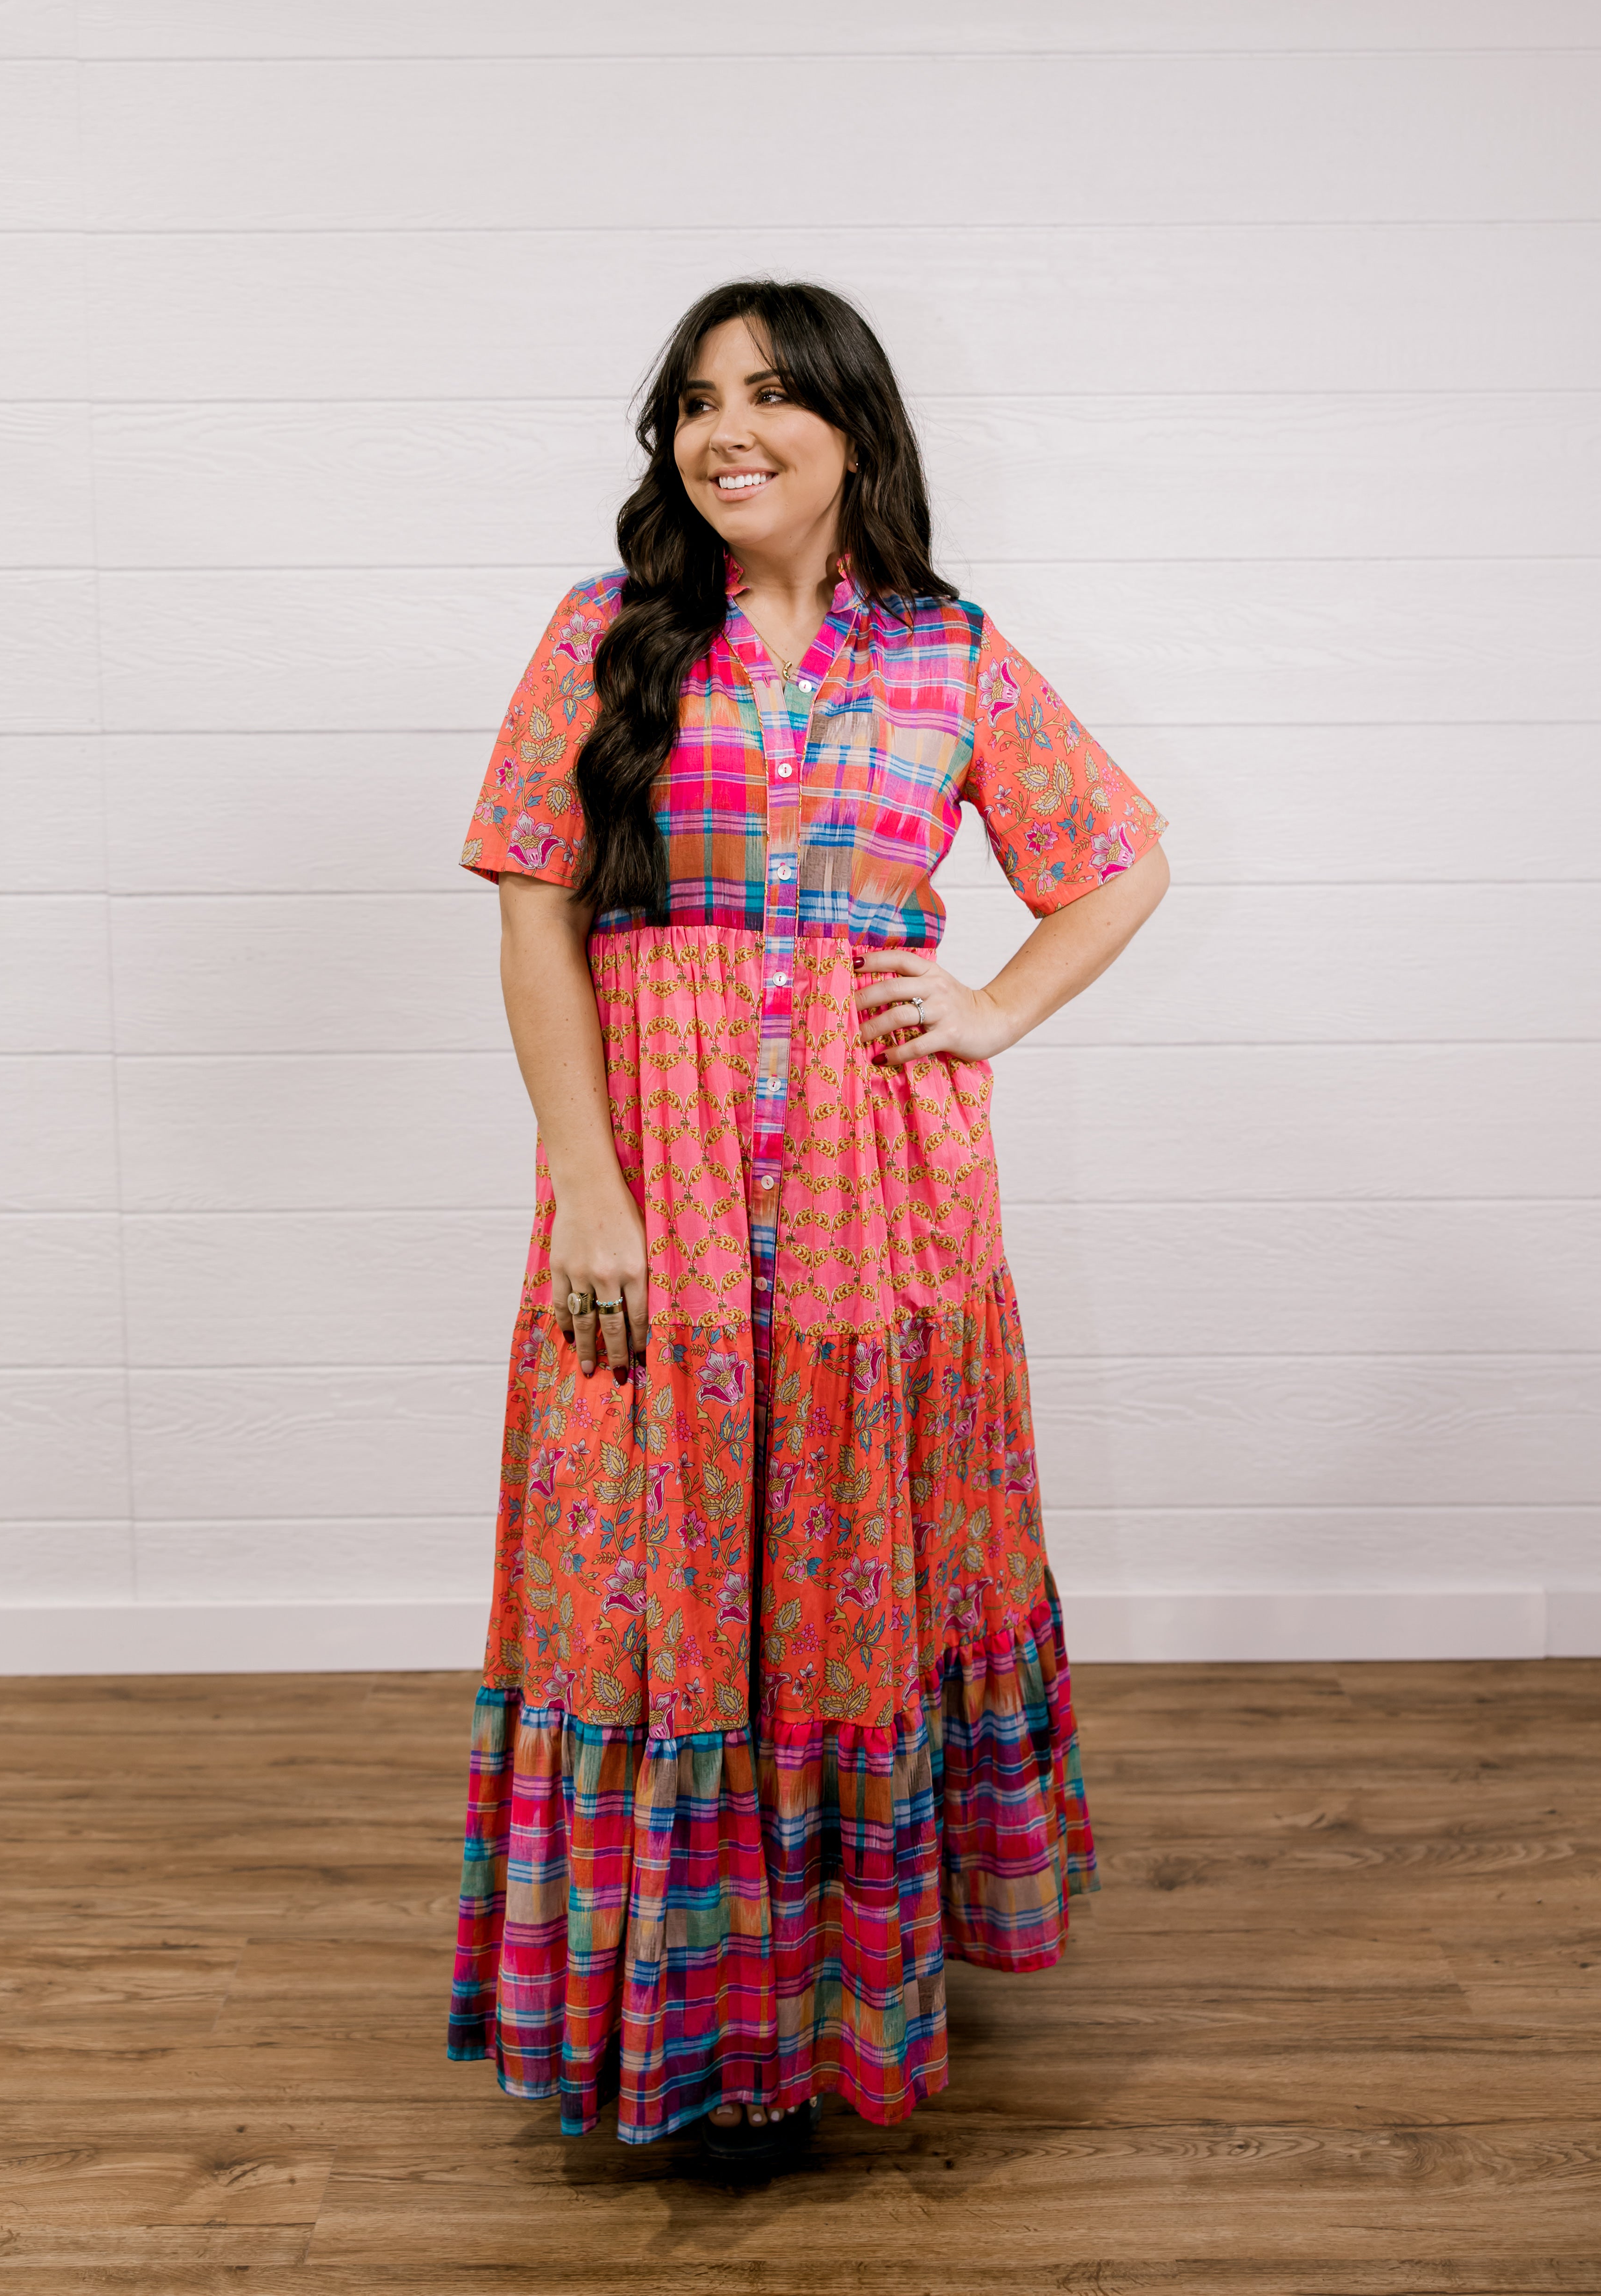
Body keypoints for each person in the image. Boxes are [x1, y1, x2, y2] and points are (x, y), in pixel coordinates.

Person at [448, 280, 1168, 2163]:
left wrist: (992, 1008)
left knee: (847, 1591)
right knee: (653, 1583)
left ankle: (834, 2009)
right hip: (652, 1190)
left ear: (853, 430)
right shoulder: (601, 636)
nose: (724, 432)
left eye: (769, 398)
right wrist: (589, 1187)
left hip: (881, 1202)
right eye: (693, 403)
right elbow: (532, 912)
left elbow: (1117, 857)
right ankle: (678, 2027)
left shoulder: (947, 657)